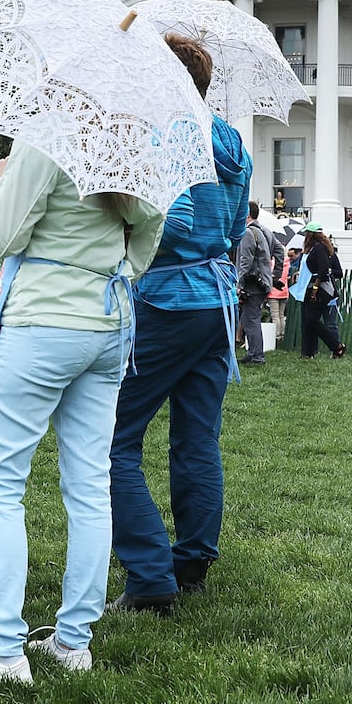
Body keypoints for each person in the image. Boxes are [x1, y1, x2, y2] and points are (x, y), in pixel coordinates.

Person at [0, 131, 164, 688]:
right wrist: (119, 271)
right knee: (89, 485)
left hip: (44, 323)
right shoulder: (135, 145)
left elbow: (3, 235)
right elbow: (150, 229)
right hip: (109, 324)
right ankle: (74, 642)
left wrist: (2, 180)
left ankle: (4, 652)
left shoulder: (50, 137)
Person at [105, 36, 251, 616]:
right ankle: (191, 561)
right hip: (217, 302)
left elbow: (167, 223)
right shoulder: (229, 137)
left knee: (112, 440)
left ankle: (149, 578)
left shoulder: (167, 131)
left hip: (168, 298)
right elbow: (236, 223)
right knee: (197, 436)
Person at [292, 221, 346, 359]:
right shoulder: (311, 250)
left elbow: (322, 270)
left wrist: (315, 288)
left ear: (310, 235)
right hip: (306, 288)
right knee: (307, 321)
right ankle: (307, 353)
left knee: (311, 320)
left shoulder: (319, 248)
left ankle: (336, 346)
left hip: (317, 289)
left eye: (306, 234)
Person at [236, 200, 276, 365]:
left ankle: (257, 356)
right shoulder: (264, 231)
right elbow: (279, 251)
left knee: (250, 320)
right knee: (249, 319)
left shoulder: (248, 233)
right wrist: (276, 275)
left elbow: (245, 261)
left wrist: (239, 284)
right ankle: (252, 353)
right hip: (262, 282)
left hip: (253, 284)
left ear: (247, 214)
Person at [267, 243, 293, 345]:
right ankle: (282, 334)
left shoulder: (272, 263)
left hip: (274, 292)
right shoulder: (287, 263)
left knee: (275, 315)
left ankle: (276, 335)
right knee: (281, 315)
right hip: (284, 291)